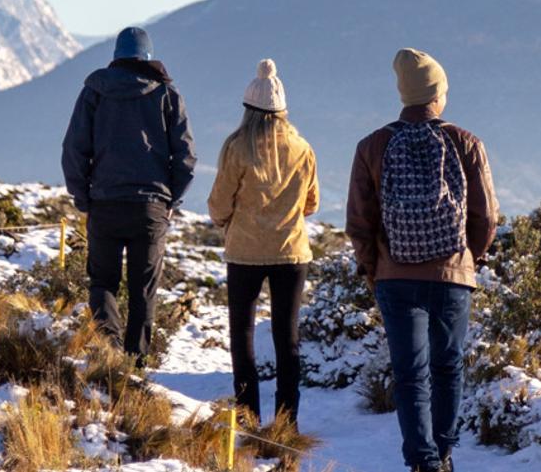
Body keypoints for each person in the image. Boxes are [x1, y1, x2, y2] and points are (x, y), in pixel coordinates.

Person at [347, 48, 499, 472]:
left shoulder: (373, 145)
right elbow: (486, 217)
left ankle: (422, 462)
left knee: (410, 373)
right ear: (438, 94)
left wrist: (374, 269)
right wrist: (468, 258)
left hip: (394, 276)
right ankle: (445, 452)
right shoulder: (466, 142)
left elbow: (359, 220)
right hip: (452, 274)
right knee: (448, 366)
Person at [61, 26, 197, 361]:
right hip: (150, 207)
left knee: (103, 283)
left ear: (116, 56)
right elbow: (186, 157)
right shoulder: (167, 95)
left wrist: (84, 199)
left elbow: (74, 149)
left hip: (104, 203)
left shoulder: (94, 92)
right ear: (149, 56)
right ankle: (136, 363)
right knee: (143, 289)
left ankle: (107, 357)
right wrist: (170, 201)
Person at [208, 59, 320, 427]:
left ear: (248, 109)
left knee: (243, 337)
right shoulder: (302, 148)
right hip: (291, 252)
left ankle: (248, 417)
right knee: (287, 339)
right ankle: (287, 422)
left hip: (244, 252)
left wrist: (226, 220)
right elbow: (312, 203)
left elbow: (220, 202)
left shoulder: (237, 147)